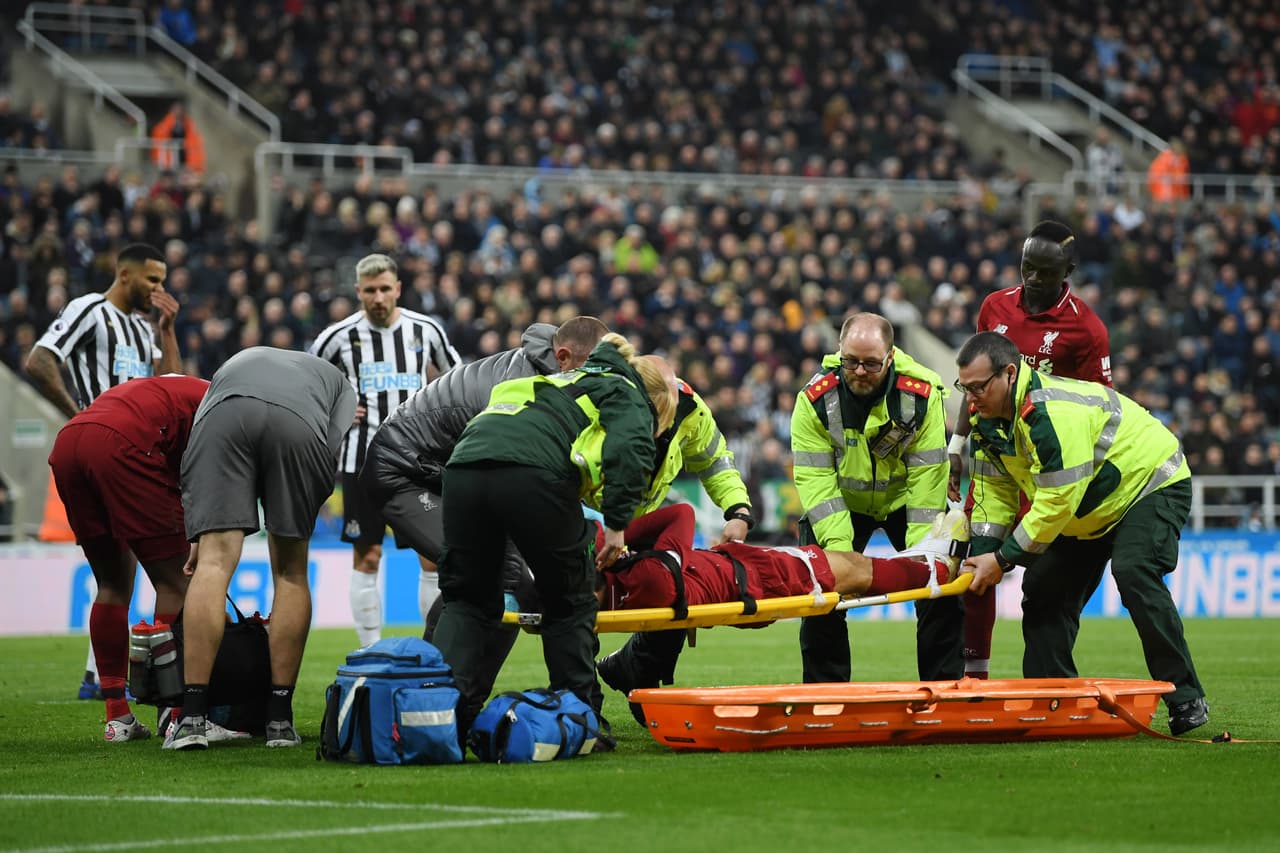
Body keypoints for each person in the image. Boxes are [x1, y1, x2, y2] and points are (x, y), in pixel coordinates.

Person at [956, 332, 1209, 736]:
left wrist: (1001, 560)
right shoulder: (985, 421)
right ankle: (1051, 701)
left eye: (978, 388)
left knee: (1134, 570)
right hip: (1086, 509)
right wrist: (982, 554)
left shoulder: (1052, 413)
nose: (970, 400)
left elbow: (1056, 501)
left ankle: (1186, 696)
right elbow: (993, 493)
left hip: (1149, 485)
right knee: (1043, 588)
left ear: (1009, 374)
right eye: (964, 388)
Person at [432, 333, 674, 739]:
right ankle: (580, 722)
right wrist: (617, 526)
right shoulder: (626, 391)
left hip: (463, 468)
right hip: (531, 473)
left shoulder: (551, 380)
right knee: (570, 600)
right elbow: (630, 450)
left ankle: (438, 722)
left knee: (468, 601)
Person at [359, 315, 608, 650]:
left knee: (501, 582)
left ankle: (437, 675)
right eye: (594, 367)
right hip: (404, 469)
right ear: (564, 356)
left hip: (445, 471)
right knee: (501, 577)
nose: (599, 379)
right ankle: (437, 675)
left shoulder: (545, 373)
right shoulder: (530, 387)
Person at [596, 503, 969, 716]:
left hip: (737, 571)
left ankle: (630, 666)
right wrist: (619, 538)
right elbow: (681, 514)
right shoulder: (649, 577)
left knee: (851, 569)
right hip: (756, 578)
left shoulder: (620, 586)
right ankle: (937, 569)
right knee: (854, 571)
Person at [165, 348, 356, 750]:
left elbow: (201, 434)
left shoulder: (237, 360)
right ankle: (280, 720)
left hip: (225, 416)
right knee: (291, 573)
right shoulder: (341, 386)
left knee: (213, 565)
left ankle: (193, 717)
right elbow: (326, 455)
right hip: (298, 426)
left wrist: (200, 537)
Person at [947, 220, 1111, 680]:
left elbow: (1099, 406)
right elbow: (974, 383)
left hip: (1048, 471)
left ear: (1068, 272)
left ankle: (1048, 678)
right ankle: (974, 676)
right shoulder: (995, 306)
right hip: (995, 460)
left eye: (1045, 271)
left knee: (1044, 585)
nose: (1033, 279)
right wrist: (957, 444)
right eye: (1027, 267)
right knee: (976, 562)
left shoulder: (1087, 330)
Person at [25, 242, 181, 701]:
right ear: (124, 274)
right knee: (154, 571)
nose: (158, 289)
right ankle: (134, 678)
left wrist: (167, 331)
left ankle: (99, 678)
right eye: (152, 279)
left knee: (118, 572)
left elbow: (170, 387)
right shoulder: (90, 309)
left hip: (132, 456)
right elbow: (39, 359)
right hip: (106, 455)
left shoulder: (143, 329)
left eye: (163, 280)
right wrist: (80, 417)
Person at [790, 312, 960, 683]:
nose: (860, 371)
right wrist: (842, 557)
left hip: (906, 504)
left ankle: (943, 688)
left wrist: (924, 555)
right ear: (839, 352)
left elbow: (927, 480)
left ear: (890, 356)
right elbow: (816, 481)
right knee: (822, 593)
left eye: (871, 363)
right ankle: (825, 697)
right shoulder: (814, 401)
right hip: (841, 506)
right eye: (851, 361)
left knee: (940, 589)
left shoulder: (922, 396)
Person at [48, 375, 209, 742]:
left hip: (69, 442)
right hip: (124, 442)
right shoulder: (221, 404)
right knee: (176, 582)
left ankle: (117, 717)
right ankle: (176, 714)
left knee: (112, 584)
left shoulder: (179, 392)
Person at [310, 253, 460, 648]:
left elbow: (457, 381)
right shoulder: (336, 337)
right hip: (362, 462)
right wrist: (335, 410)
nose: (378, 298)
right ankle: (370, 650)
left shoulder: (426, 330)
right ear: (358, 292)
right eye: (370, 291)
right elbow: (307, 386)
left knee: (432, 557)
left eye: (385, 289)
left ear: (398, 289)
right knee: (368, 557)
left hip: (419, 461)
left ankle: (433, 649)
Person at [595, 354, 756, 702]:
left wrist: (738, 511)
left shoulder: (689, 407)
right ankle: (584, 696)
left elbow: (714, 461)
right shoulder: (599, 402)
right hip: (591, 519)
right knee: (581, 601)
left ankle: (638, 671)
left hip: (640, 519)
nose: (664, 424)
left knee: (674, 589)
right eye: (658, 414)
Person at [151, 102, 205, 173]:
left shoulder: (188, 123)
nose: (177, 112)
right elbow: (159, 133)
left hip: (184, 156)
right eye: (175, 110)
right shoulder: (167, 122)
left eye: (179, 110)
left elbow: (194, 139)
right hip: (169, 158)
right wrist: (170, 118)